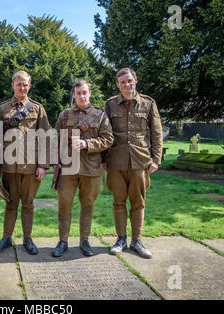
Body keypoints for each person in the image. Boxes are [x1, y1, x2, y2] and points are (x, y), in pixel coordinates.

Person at [103, 68, 163, 259]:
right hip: (116, 162)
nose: (126, 85)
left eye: (129, 81)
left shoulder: (148, 103)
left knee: (138, 203)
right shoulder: (110, 105)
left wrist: (156, 159)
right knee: (118, 202)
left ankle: (136, 241)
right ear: (118, 84)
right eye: (122, 82)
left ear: (135, 81)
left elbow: (156, 132)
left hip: (140, 160)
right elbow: (104, 133)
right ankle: (120, 239)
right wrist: (104, 159)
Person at [0, 71, 50, 255]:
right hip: (9, 166)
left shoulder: (38, 109)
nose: (22, 88)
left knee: (28, 204)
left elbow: (46, 138)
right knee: (10, 203)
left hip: (31, 167)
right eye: (19, 84)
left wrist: (43, 165)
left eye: (25, 84)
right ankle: (6, 238)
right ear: (12, 85)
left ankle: (28, 239)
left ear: (29, 86)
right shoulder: (2, 109)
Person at [52, 80, 113, 257]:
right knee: (64, 206)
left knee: (87, 205)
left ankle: (84, 241)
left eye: (85, 92)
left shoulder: (100, 115)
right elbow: (55, 138)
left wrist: (87, 143)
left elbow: (108, 139)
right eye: (78, 93)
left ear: (90, 93)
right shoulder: (64, 115)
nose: (82, 96)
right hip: (68, 169)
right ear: (74, 94)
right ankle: (62, 241)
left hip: (91, 169)